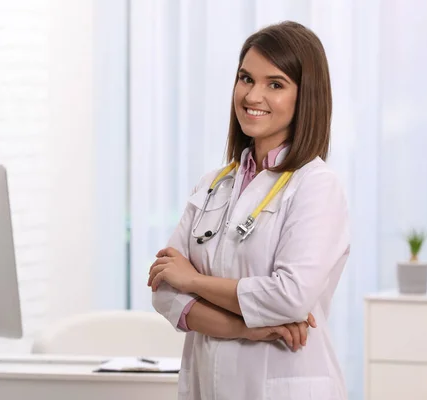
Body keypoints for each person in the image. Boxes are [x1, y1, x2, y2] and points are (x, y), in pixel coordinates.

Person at [147, 21, 350, 400]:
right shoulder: (213, 184)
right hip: (207, 384)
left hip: (284, 383)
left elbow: (290, 297)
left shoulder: (315, 185)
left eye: (275, 84)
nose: (253, 95)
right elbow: (164, 291)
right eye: (245, 79)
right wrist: (245, 328)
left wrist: (194, 282)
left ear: (305, 97)